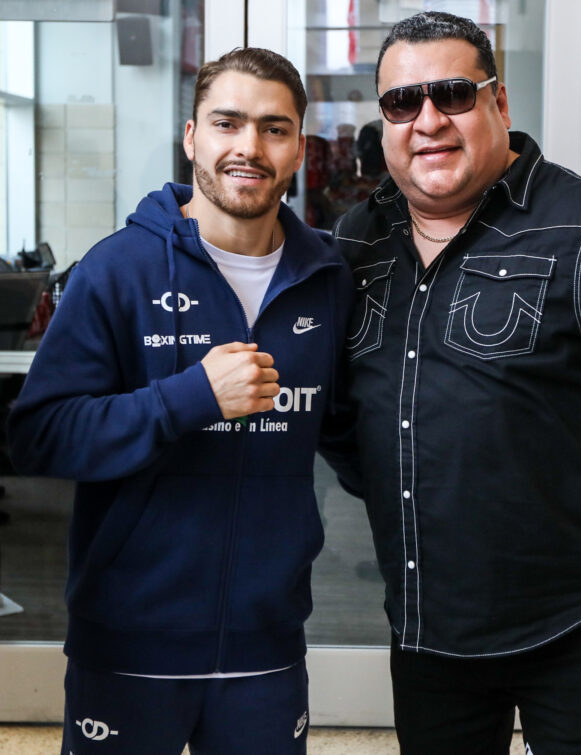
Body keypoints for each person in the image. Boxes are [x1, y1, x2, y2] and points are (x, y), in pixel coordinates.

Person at [330, 11, 581, 754]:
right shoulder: (358, 242)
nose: (427, 121)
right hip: (429, 628)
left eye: (452, 94)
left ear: (500, 103)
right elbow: (349, 413)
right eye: (401, 103)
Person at [8, 47, 352, 755]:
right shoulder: (118, 269)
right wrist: (190, 396)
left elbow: (352, 429)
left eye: (273, 128)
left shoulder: (328, 278)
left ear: (297, 149)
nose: (248, 147)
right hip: (130, 641)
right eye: (227, 123)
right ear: (192, 136)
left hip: (267, 643)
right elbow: (40, 432)